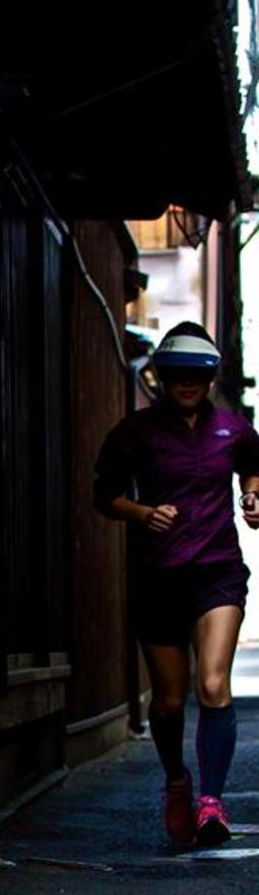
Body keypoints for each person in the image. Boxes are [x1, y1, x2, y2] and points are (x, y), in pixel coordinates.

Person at [93, 320, 259, 849]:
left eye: (197, 375)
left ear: (211, 378)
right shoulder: (134, 433)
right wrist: (143, 513)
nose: (187, 383)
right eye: (176, 375)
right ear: (161, 377)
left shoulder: (233, 430)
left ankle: (211, 802)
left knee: (213, 684)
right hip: (159, 575)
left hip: (217, 571)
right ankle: (177, 783)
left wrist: (252, 497)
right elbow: (104, 497)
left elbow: (254, 468)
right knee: (167, 702)